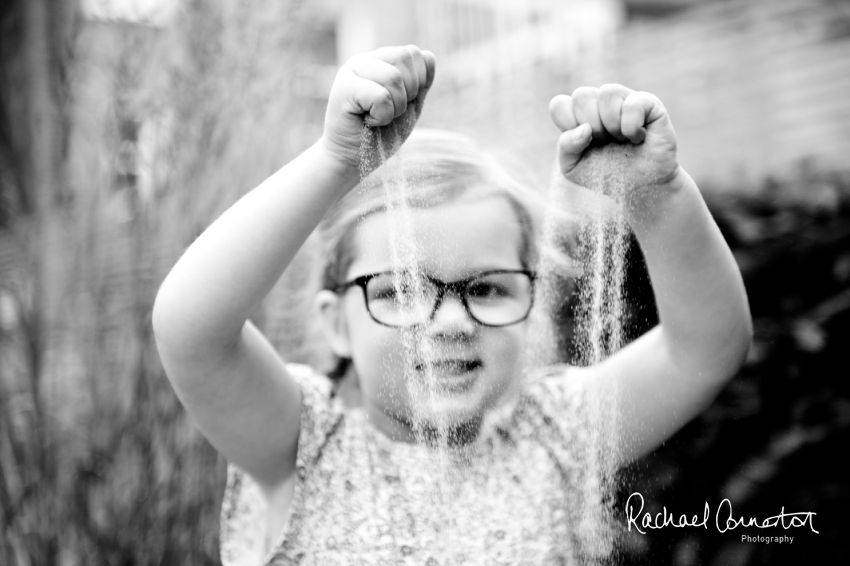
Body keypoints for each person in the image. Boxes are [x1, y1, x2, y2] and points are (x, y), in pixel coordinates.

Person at [152, 45, 752, 564]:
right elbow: (191, 329)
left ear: (531, 301)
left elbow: (706, 348)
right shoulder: (301, 445)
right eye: (404, 291)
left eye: (486, 288)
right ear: (336, 324)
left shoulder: (558, 433)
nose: (449, 322)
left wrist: (656, 196)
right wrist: (336, 162)